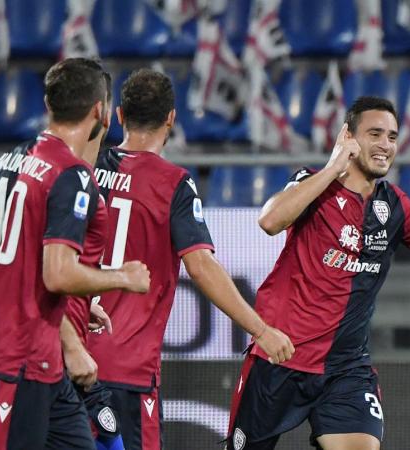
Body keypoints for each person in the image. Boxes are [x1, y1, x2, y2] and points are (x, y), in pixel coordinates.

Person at [225, 96, 410, 450]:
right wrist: (332, 167)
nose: (386, 145)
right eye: (375, 134)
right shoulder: (313, 183)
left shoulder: (394, 205)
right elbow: (269, 220)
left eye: (392, 136)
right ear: (349, 136)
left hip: (345, 370)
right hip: (279, 357)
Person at [64, 68, 295, 450]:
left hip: (68, 355)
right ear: (172, 118)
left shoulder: (85, 170)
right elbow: (201, 266)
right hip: (127, 370)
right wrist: (261, 329)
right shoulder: (173, 183)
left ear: (119, 115)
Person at [0, 58, 150, 450]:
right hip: (12, 362)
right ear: (100, 111)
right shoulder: (71, 175)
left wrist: (54, 290)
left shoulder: (11, 160)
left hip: (43, 364)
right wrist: (122, 277)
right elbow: (57, 275)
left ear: (50, 105)